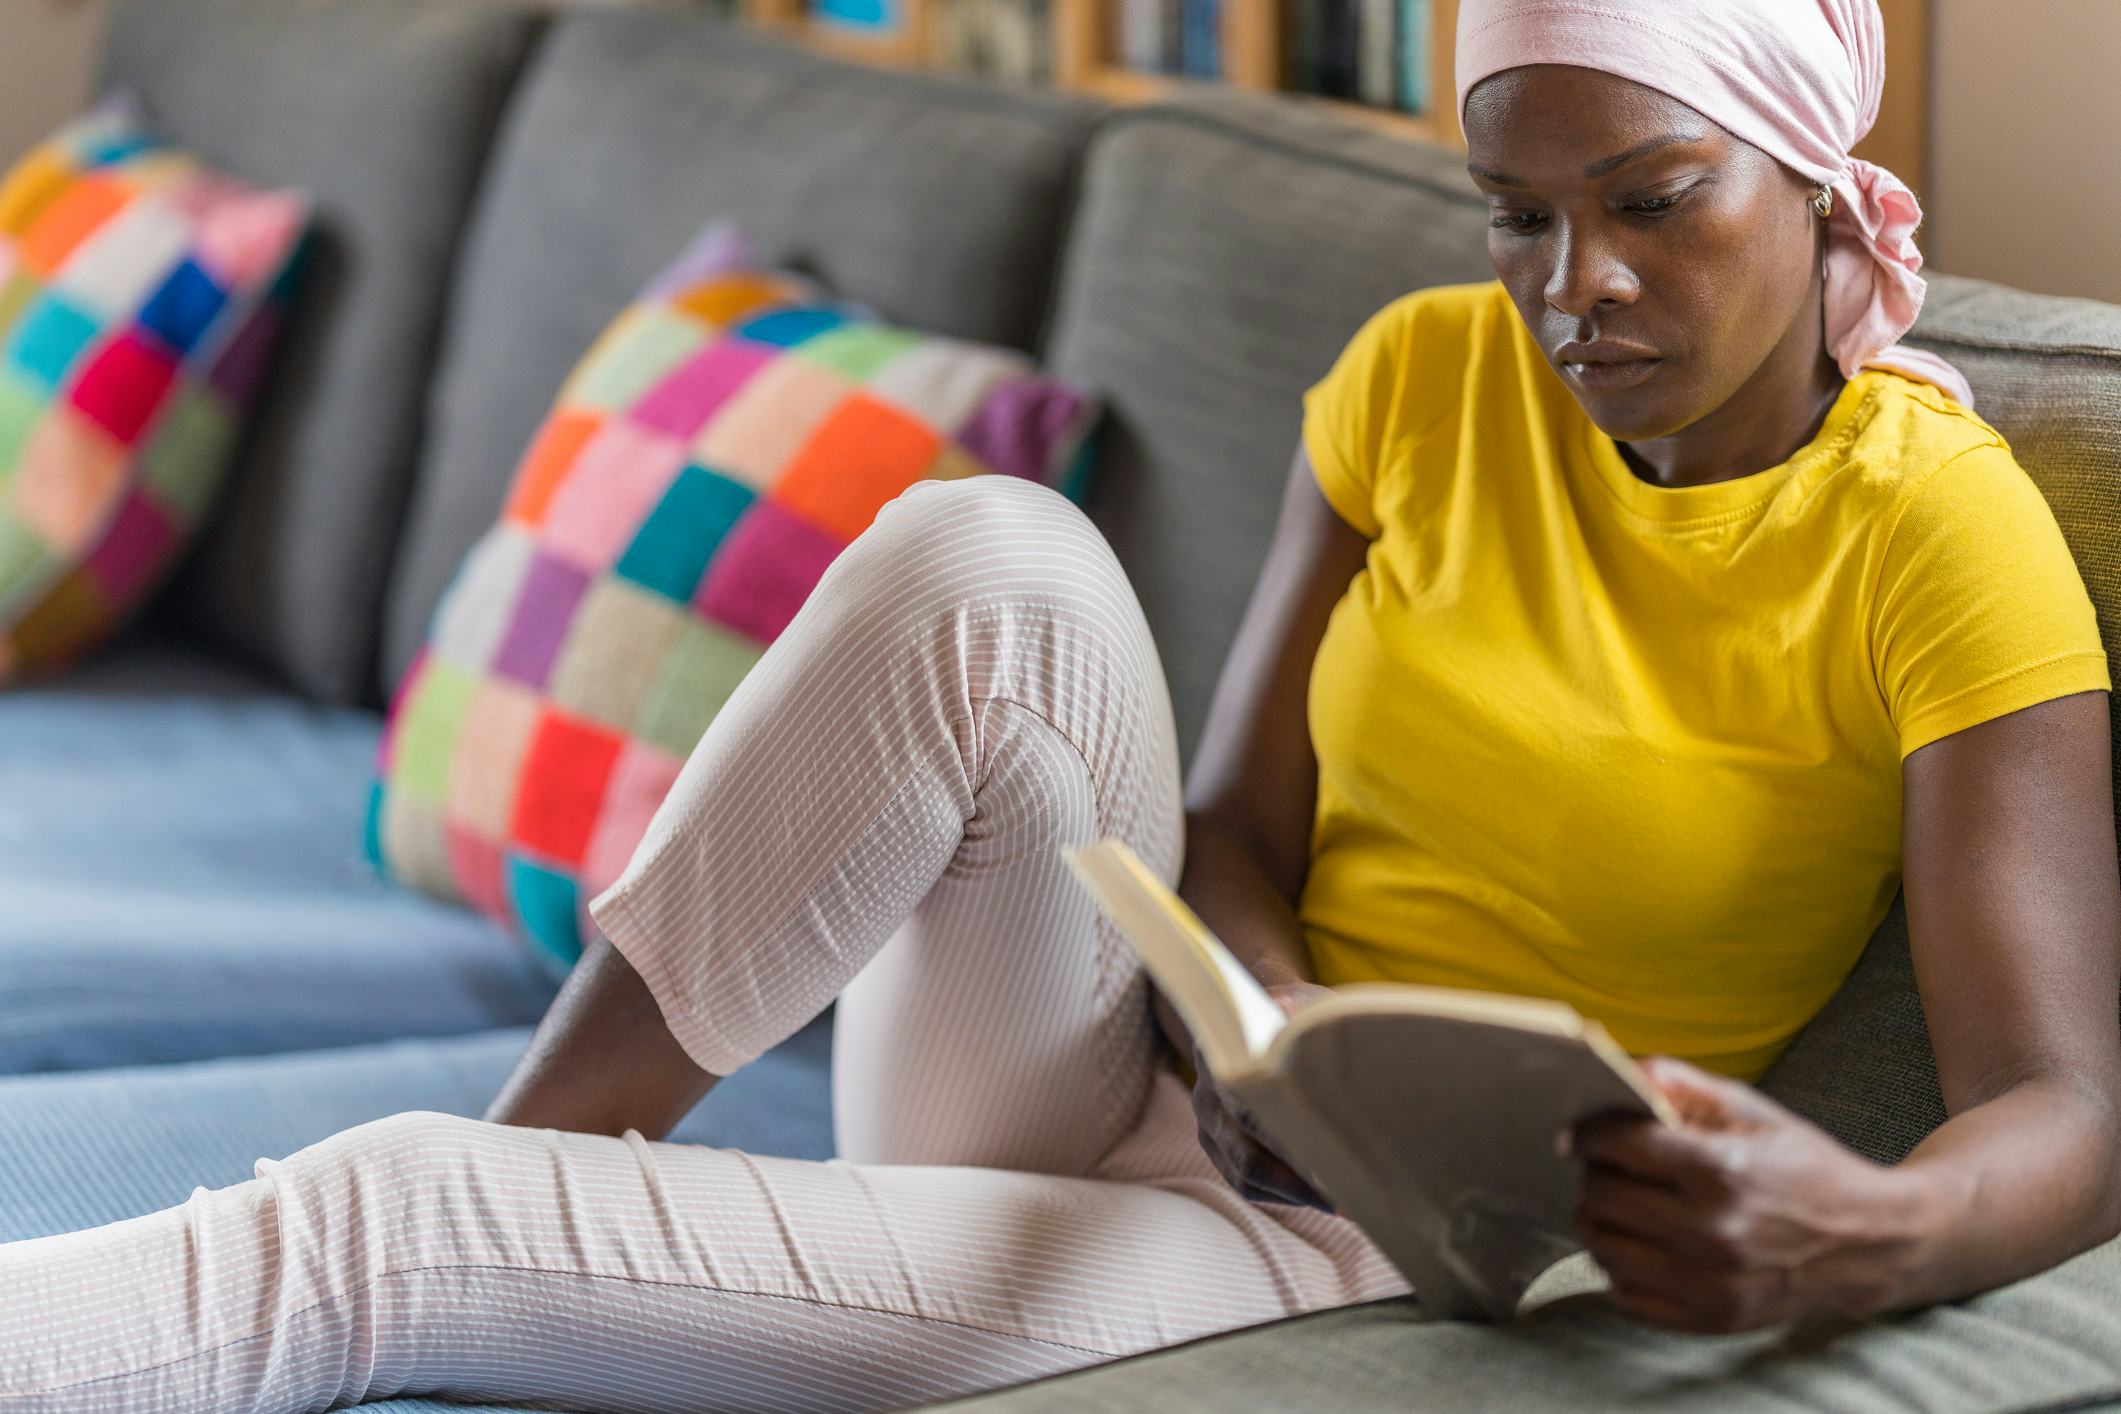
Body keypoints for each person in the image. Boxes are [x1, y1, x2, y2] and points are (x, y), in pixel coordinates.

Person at [4, 0, 2119, 1407]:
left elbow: (2064, 1101)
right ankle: (566, 1172)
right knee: (990, 547)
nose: (1571, 290)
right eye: (1516, 215)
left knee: (384, 1208)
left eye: (1649, 203)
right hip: (1153, 1072)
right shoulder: (1423, 378)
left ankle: (495, 1222)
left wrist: (1873, 1222)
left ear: (1815, 184)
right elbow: (1223, 831)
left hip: (1369, 1250)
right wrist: (1253, 1023)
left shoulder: (1932, 537)